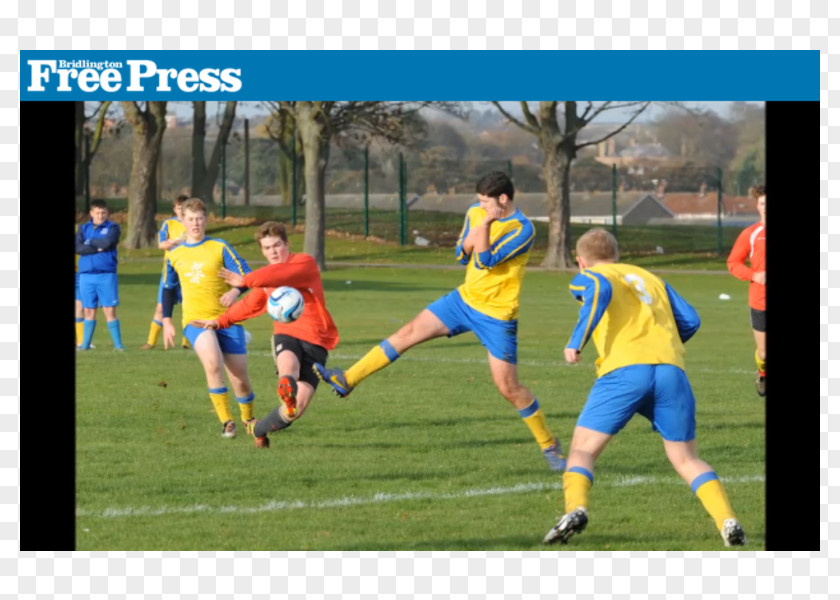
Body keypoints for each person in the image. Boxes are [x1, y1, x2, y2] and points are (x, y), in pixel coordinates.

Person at [313, 171, 566, 471]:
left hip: (497, 316)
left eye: (485, 202)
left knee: (508, 387)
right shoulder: (475, 212)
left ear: (503, 199)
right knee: (407, 332)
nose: (480, 206)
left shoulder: (523, 229)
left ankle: (550, 445)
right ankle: (347, 379)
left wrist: (485, 225)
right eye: (479, 201)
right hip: (462, 300)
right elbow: (462, 255)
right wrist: (478, 225)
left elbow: (485, 261)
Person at [542, 227, 746, 547]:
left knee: (582, 449)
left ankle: (576, 509)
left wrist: (575, 342)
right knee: (686, 458)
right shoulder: (650, 277)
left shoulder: (592, 274)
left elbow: (598, 290)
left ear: (581, 261)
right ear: (618, 254)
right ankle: (727, 520)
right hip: (671, 372)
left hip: (624, 371)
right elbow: (691, 320)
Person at [189, 221, 340, 448]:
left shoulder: (304, 263)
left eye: (277, 245)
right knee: (289, 367)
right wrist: (219, 322)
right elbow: (249, 304)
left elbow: (281, 273)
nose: (273, 251)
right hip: (287, 334)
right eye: (267, 248)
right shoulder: (267, 280)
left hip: (316, 338)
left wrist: (245, 280)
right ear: (262, 250)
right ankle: (287, 384)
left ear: (287, 244)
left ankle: (259, 430)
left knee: (295, 411)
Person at [161, 198, 257, 439]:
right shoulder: (175, 254)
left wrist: (235, 291)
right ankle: (227, 422)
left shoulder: (219, 247)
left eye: (199, 218)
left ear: (206, 220)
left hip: (227, 319)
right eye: (190, 219)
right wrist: (166, 320)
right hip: (195, 321)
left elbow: (246, 275)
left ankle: (248, 419)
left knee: (240, 377)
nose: (195, 223)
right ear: (181, 221)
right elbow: (168, 288)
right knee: (213, 363)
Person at [726, 185, 766, 397]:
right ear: (757, 206)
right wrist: (755, 276)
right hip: (760, 301)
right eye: (762, 203)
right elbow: (733, 262)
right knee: (764, 353)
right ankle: (762, 373)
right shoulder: (750, 234)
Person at [142, 194, 191, 350]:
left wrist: (174, 242)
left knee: (189, 307)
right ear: (174, 209)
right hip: (170, 271)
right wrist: (178, 241)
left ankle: (187, 343)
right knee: (161, 307)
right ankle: (151, 342)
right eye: (178, 208)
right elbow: (162, 244)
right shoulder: (168, 224)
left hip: (188, 271)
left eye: (183, 208)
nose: (180, 211)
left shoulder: (192, 222)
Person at [75, 199, 124, 351]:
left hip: (106, 275)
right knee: (89, 310)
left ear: (107, 213)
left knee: (109, 310)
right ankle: (85, 345)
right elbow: (78, 247)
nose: (101, 215)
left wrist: (89, 243)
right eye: (97, 212)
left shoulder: (113, 227)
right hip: (86, 276)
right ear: (91, 213)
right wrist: (97, 247)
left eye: (103, 213)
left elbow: (108, 242)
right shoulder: (83, 228)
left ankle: (118, 346)